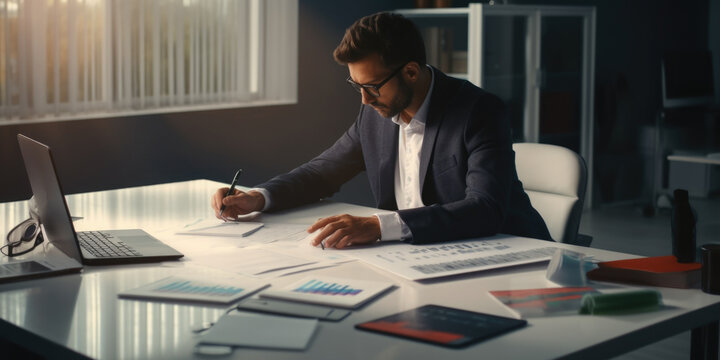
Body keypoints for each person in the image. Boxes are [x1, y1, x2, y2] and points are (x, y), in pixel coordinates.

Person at [211, 12, 551, 249]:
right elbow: (322, 172)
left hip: (509, 256)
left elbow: (484, 208)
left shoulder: (479, 111)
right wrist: (259, 196)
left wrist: (378, 226)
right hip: (416, 255)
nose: (363, 98)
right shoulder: (374, 112)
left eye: (372, 86)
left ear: (412, 72)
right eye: (356, 84)